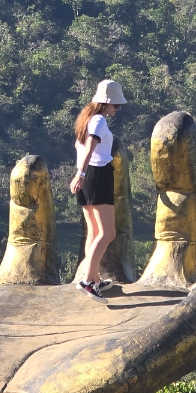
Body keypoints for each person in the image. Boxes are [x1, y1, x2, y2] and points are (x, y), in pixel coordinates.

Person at [69, 79, 128, 299]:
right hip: (97, 174)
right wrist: (81, 173)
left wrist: (80, 174)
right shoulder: (99, 122)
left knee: (93, 232)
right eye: (115, 104)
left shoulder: (85, 120)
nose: (117, 108)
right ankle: (87, 281)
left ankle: (93, 279)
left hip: (87, 177)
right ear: (106, 103)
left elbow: (81, 149)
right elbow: (92, 146)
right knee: (107, 233)